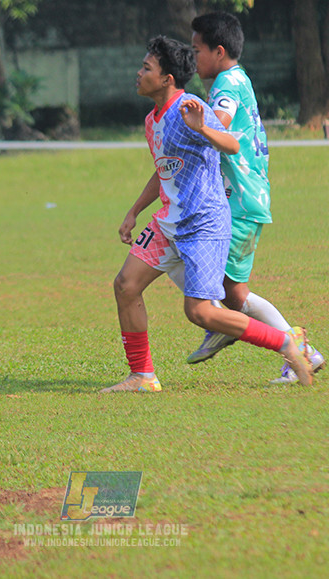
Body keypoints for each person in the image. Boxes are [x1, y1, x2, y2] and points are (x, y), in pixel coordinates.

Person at [102, 35, 314, 393]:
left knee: (201, 312)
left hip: (203, 223)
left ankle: (286, 344)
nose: (138, 73)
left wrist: (203, 127)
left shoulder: (190, 109)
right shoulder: (152, 120)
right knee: (125, 285)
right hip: (169, 222)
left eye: (146, 68)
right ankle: (142, 376)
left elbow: (232, 143)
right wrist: (135, 210)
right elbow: (165, 169)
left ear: (168, 78)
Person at [177, 11, 325, 384]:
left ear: (219, 51)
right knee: (232, 290)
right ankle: (295, 349)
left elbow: (222, 122)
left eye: (197, 51)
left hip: (240, 201)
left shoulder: (226, 84)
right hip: (249, 198)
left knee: (197, 264)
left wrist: (195, 124)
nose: (194, 60)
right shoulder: (237, 77)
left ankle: (293, 349)